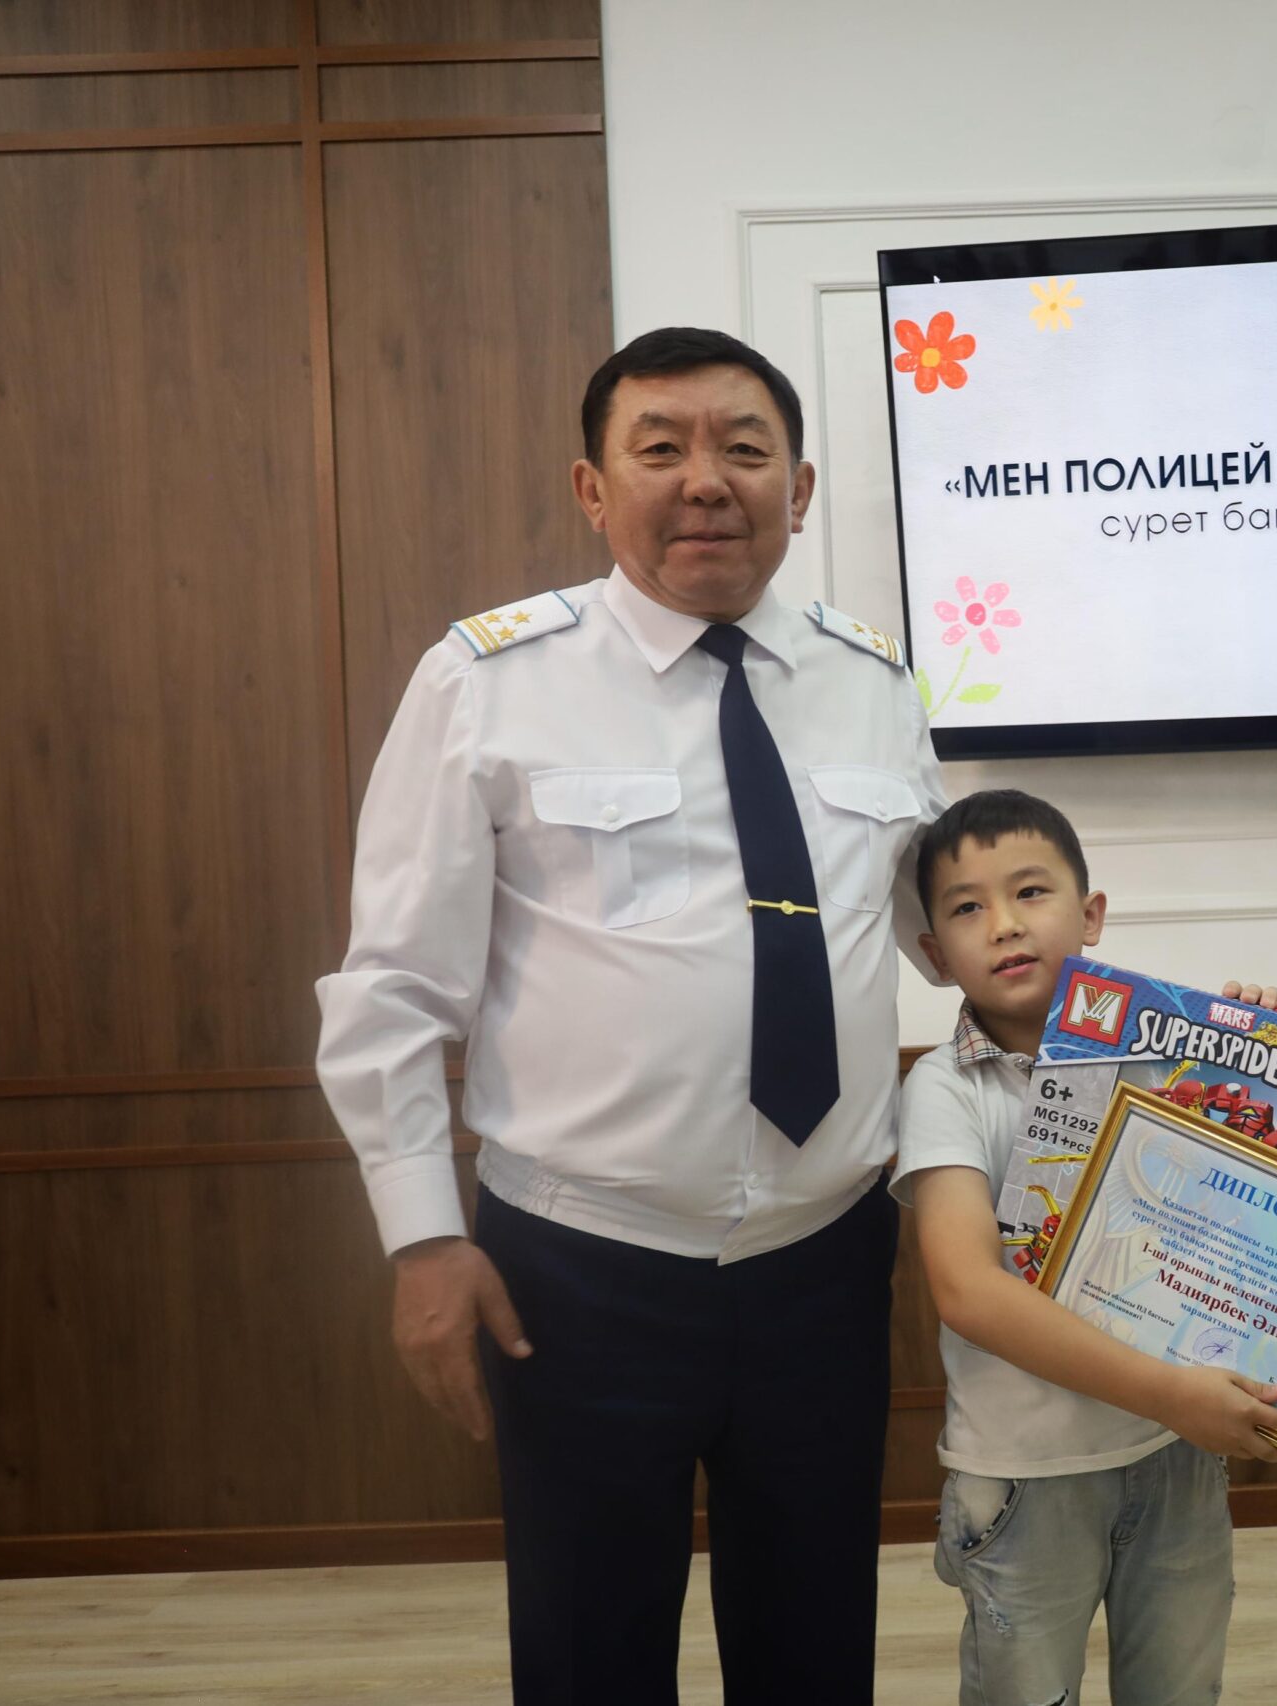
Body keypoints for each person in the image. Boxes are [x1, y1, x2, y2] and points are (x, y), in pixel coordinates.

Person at [313, 326, 947, 1705]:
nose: (706, 479)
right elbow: (394, 984)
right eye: (660, 448)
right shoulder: (487, 680)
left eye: (745, 448)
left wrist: (1142, 1020)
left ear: (801, 486)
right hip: (581, 1271)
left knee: (815, 1646)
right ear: (594, 490)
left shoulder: (873, 680)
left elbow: (948, 925)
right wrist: (422, 1236)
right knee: (589, 1649)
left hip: (828, 1259)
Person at [893, 788, 1277, 1706]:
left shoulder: (1171, 1054)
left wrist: (1266, 1045)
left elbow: (1272, 1201)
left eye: (1030, 892)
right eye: (967, 908)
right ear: (934, 955)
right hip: (1024, 1477)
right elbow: (966, 1290)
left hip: (1175, 1455)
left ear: (1089, 916)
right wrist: (1172, 1394)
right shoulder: (944, 1090)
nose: (1004, 924)